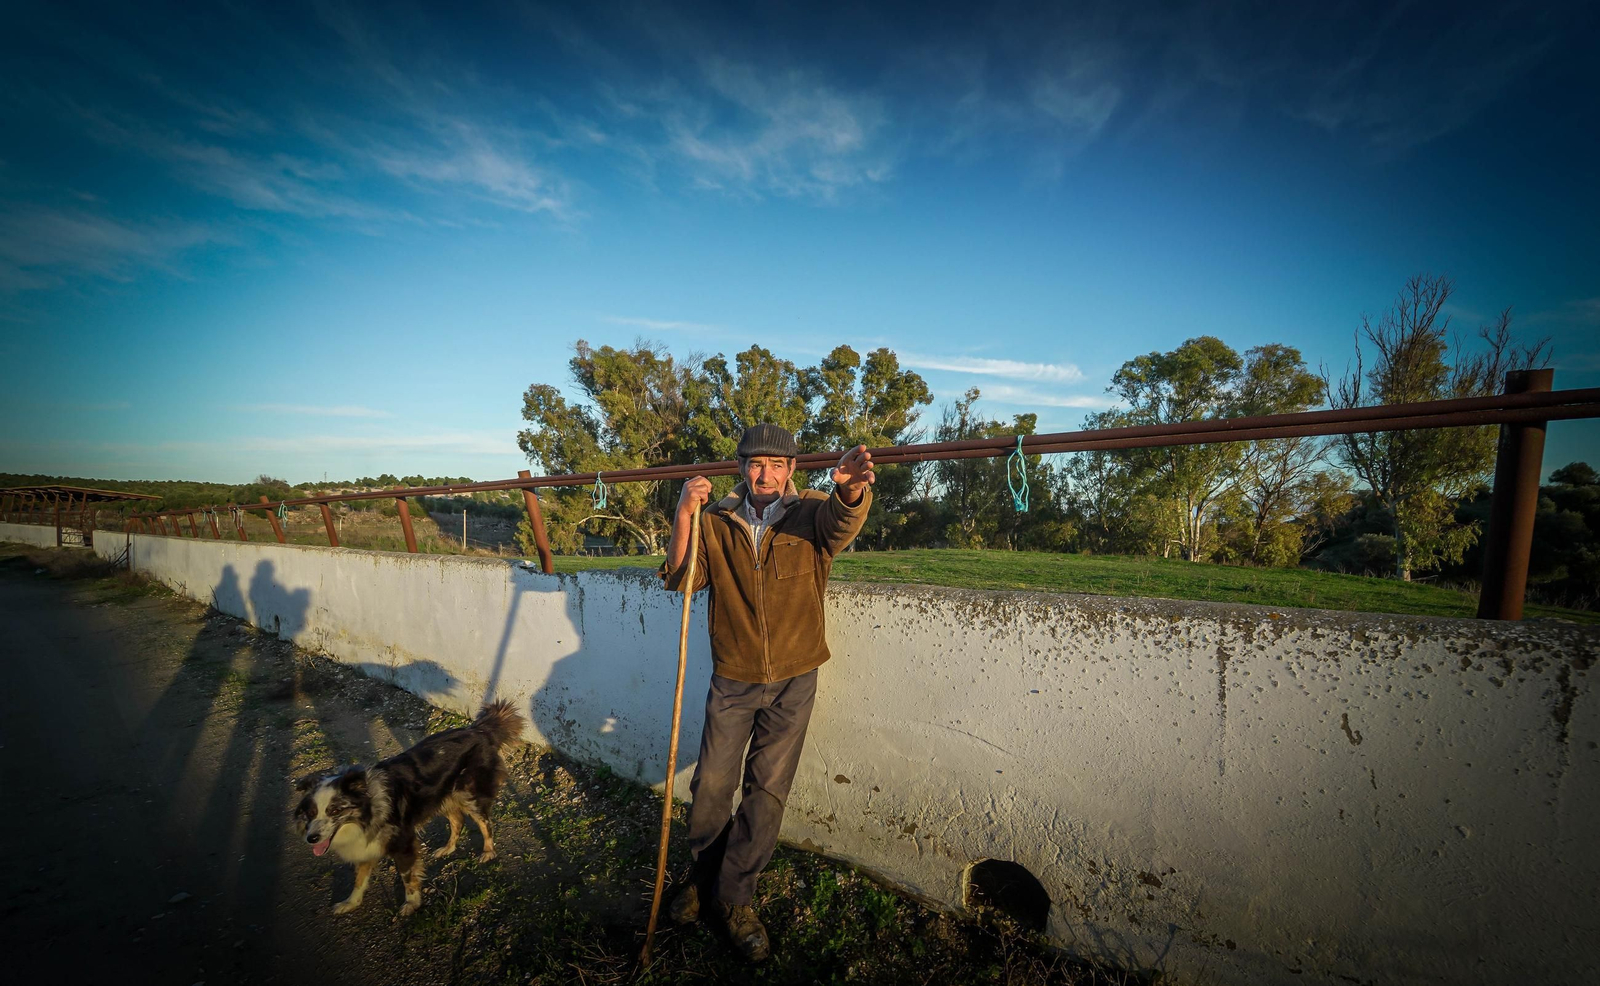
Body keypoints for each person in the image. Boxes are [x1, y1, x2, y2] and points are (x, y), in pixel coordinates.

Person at [658, 422, 876, 961]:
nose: (766, 474)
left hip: (795, 678)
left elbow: (843, 521)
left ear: (791, 471)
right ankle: (703, 876)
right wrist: (685, 514)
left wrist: (851, 489)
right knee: (711, 783)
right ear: (742, 468)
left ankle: (734, 898)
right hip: (733, 676)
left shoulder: (811, 514)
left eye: (777, 465)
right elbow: (682, 578)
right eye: (756, 464)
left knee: (767, 790)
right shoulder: (717, 521)